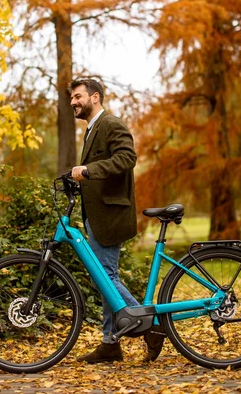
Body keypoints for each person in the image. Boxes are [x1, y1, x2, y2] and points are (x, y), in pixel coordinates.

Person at [70, 77, 165, 364]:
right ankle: (110, 343)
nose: (73, 102)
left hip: (110, 215)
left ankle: (151, 327)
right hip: (97, 215)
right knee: (104, 279)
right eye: (72, 98)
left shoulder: (111, 124)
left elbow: (127, 158)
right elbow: (98, 172)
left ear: (95, 97)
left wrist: (88, 170)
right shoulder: (91, 130)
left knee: (106, 278)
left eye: (78, 96)